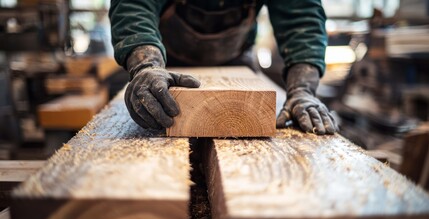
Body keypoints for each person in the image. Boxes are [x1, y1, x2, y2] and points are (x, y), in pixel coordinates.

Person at [109, 0, 337, 135]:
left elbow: (302, 19)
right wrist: (146, 65)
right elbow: (133, 6)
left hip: (236, 63)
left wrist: (302, 90)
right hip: (166, 69)